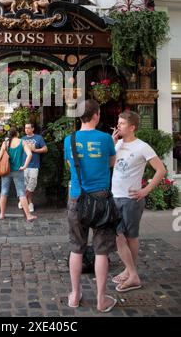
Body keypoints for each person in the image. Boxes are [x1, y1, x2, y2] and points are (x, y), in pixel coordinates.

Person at [64, 99, 117, 313]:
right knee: (101, 251)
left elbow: (70, 165)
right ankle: (101, 299)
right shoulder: (105, 139)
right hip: (102, 200)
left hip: (77, 198)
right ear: (96, 114)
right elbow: (111, 163)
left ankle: (75, 295)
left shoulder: (70, 139)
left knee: (76, 248)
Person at [111, 111, 166, 292]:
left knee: (130, 236)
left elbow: (161, 170)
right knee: (117, 235)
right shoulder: (118, 143)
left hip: (131, 199)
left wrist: (146, 190)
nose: (118, 126)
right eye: (118, 123)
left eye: (122, 124)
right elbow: (111, 164)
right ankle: (131, 272)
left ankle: (130, 272)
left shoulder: (142, 146)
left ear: (132, 127)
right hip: (115, 196)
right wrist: (112, 145)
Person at [0, 126, 37, 222]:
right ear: (17, 134)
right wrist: (24, 166)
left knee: (3, 192)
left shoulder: (5, 143)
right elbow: (30, 154)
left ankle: (2, 214)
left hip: (6, 170)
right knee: (21, 193)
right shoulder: (22, 142)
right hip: (18, 171)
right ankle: (28, 216)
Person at [18, 122, 48, 212]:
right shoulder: (22, 139)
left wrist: (35, 150)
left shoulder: (38, 138)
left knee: (32, 185)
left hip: (34, 165)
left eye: (28, 128)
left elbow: (45, 149)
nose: (26, 130)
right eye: (25, 128)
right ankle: (29, 203)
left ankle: (22, 199)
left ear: (33, 129)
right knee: (25, 185)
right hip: (24, 166)